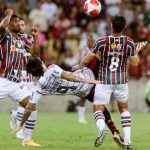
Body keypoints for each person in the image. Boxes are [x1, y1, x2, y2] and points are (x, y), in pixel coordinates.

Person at [15, 57, 125, 148]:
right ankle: (129, 49)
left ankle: (114, 132)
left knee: (101, 108)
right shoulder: (52, 69)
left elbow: (29, 108)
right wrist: (85, 76)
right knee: (99, 53)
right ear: (41, 64)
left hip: (84, 92)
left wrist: (20, 125)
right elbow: (69, 76)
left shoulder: (38, 88)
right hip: (88, 77)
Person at [72, 15, 146, 149]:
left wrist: (79, 66)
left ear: (111, 25)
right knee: (124, 110)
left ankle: (102, 129)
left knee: (98, 109)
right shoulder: (128, 42)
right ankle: (128, 140)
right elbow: (135, 64)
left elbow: (88, 58)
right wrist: (134, 51)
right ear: (124, 27)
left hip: (104, 81)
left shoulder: (101, 41)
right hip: (121, 81)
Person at [0, 9, 40, 146]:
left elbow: (35, 54)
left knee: (32, 106)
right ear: (9, 23)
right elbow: (1, 27)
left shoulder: (21, 39)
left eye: (19, 22)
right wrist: (8, 15)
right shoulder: (4, 36)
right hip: (3, 79)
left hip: (17, 83)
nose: (19, 24)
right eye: (16, 21)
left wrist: (35, 38)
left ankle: (27, 139)